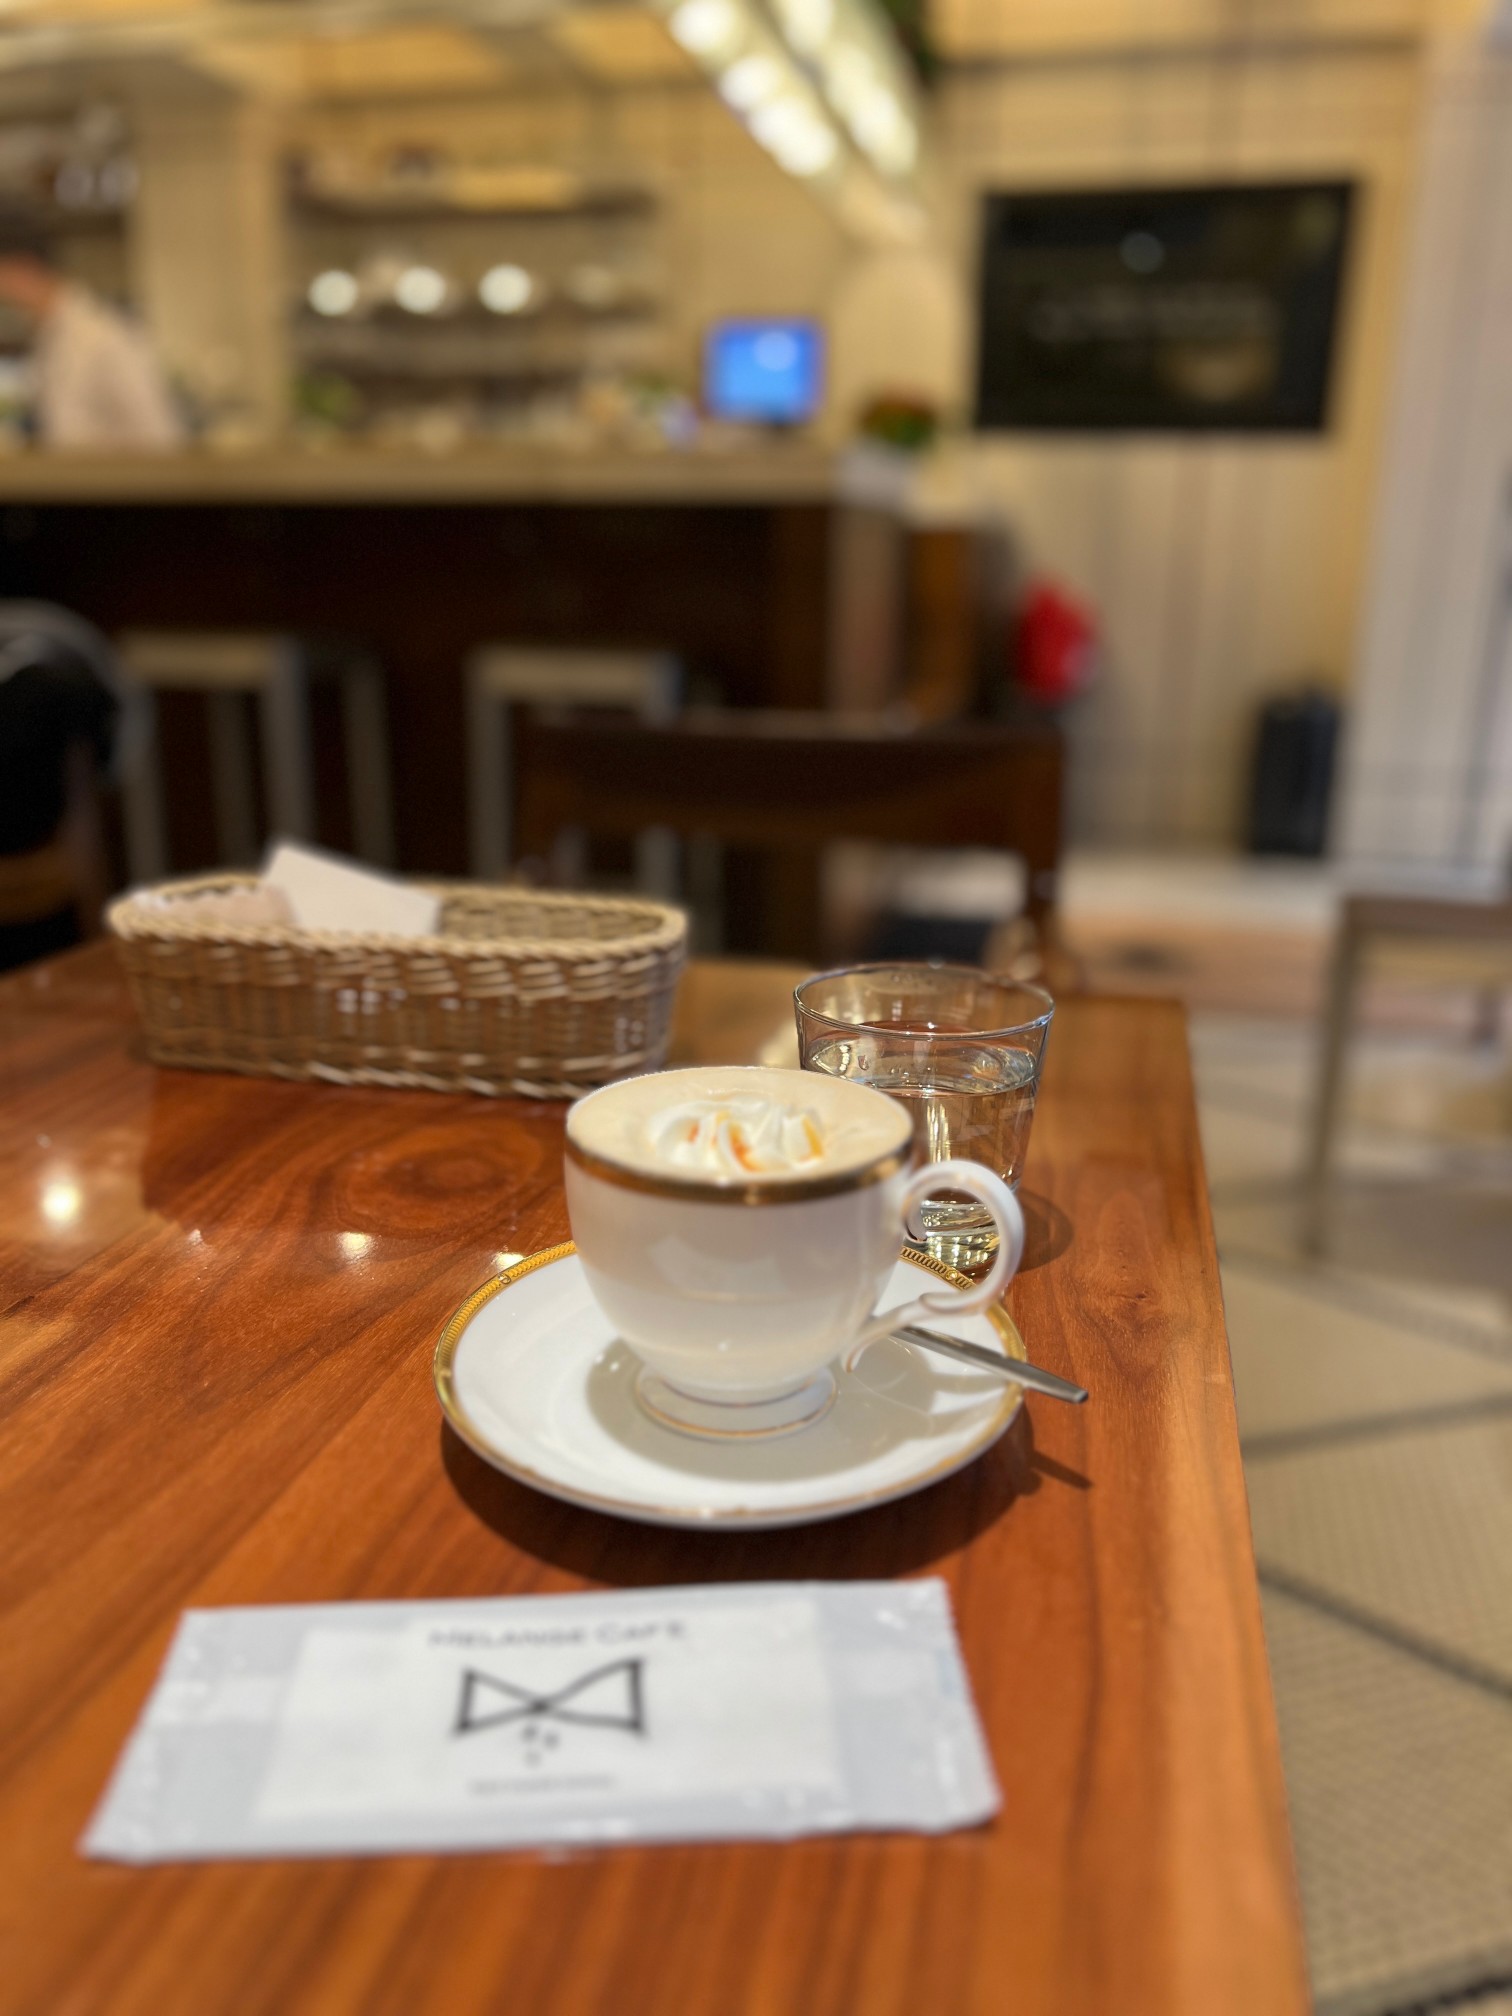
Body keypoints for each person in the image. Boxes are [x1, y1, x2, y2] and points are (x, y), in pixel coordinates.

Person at [0, 208, 183, 449]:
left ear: (24, 267)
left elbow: (162, 437)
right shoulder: (51, 334)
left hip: (117, 474)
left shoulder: (100, 337)